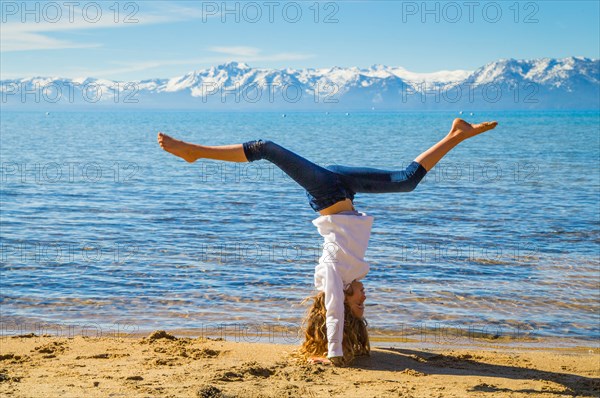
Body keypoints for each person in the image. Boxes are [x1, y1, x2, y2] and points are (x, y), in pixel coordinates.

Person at [157, 118, 498, 366]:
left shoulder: (334, 275)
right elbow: (342, 309)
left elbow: (333, 311)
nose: (366, 298)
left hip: (327, 193)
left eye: (360, 306)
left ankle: (193, 152)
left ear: (347, 302)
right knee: (406, 181)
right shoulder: (349, 273)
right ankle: (457, 133)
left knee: (266, 149)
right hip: (344, 190)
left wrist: (334, 354)